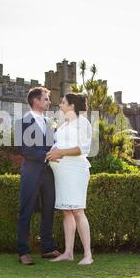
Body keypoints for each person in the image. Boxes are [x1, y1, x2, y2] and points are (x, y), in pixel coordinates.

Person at [46, 93, 93, 265]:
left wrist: (59, 153)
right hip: (62, 173)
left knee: (78, 210)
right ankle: (68, 253)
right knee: (66, 211)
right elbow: (59, 145)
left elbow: (83, 148)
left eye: (63, 102)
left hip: (76, 171)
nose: (60, 104)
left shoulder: (83, 123)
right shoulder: (64, 124)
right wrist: (52, 153)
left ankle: (88, 255)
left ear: (72, 106)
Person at [17, 87, 61, 265]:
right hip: (31, 173)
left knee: (49, 210)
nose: (49, 102)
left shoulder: (51, 122)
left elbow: (55, 144)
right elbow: (24, 149)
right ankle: (23, 252)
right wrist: (46, 155)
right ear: (35, 101)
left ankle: (47, 248)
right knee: (26, 211)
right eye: (46, 99)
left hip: (49, 173)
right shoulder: (23, 122)